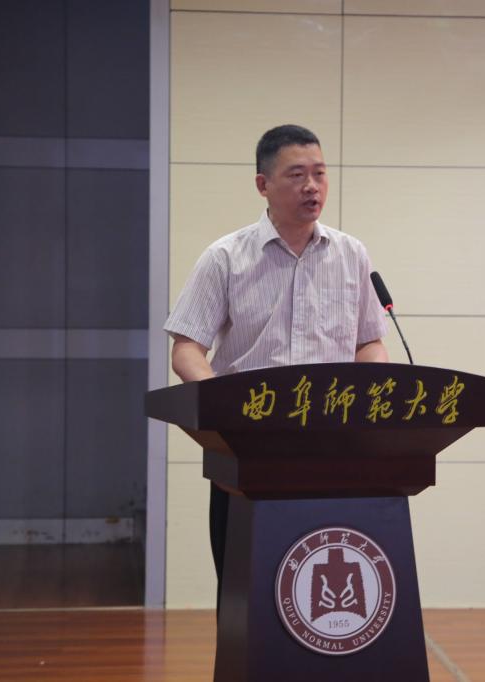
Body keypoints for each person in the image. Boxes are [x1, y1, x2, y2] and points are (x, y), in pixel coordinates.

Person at [163, 123, 389, 612]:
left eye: (320, 174)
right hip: (249, 450)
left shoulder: (351, 254)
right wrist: (224, 410)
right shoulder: (225, 258)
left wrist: (371, 392)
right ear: (262, 184)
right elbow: (186, 349)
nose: (312, 186)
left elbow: (369, 342)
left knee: (322, 591)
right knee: (248, 601)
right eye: (297, 175)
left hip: (334, 448)